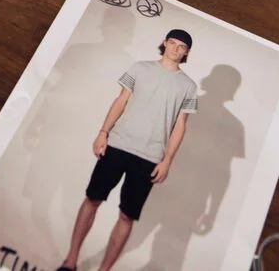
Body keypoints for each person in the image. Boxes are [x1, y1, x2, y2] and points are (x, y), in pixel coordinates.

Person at [57, 29, 197, 271]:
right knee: (92, 199)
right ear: (164, 43)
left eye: (181, 46)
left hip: (150, 158)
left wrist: (167, 160)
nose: (175, 48)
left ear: (187, 52)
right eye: (172, 42)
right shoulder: (140, 68)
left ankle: (104, 270)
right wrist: (103, 132)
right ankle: (70, 261)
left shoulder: (188, 86)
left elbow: (180, 126)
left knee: (126, 216)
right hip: (118, 145)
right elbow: (121, 100)